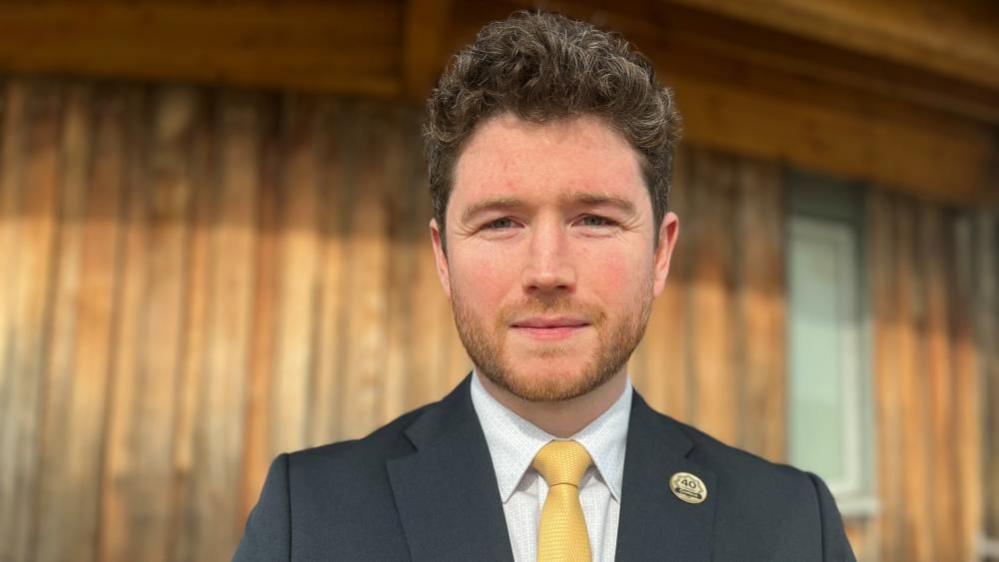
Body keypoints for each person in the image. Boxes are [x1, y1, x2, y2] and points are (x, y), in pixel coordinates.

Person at [233, 10, 855, 562]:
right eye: (502, 221)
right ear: (443, 257)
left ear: (661, 252)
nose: (548, 270)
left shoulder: (794, 527)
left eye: (595, 220)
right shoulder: (308, 518)